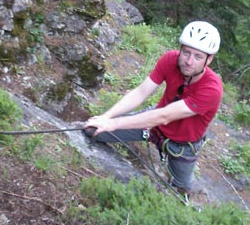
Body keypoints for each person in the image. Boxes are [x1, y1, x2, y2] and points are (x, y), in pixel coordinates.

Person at [84, 21, 224, 197]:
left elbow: (165, 116)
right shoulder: (170, 60)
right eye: (186, 52)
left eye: (197, 56)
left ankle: (184, 190)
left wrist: (115, 123)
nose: (188, 61)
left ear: (208, 59)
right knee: (93, 131)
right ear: (180, 49)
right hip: (154, 124)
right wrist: (106, 117)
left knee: (179, 191)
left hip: (182, 142)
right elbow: (141, 92)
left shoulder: (212, 89)